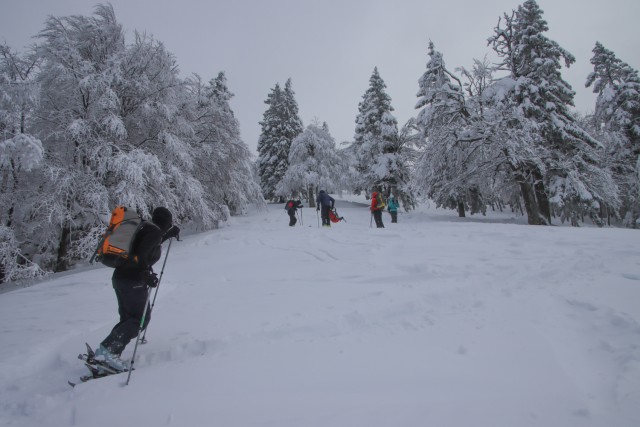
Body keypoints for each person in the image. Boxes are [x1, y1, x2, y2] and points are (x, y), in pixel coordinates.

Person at [95, 206, 180, 372]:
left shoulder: (146, 228)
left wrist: (166, 236)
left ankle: (107, 353)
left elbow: (143, 248)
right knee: (139, 320)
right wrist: (145, 274)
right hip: (133, 281)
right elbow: (141, 256)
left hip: (121, 278)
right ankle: (107, 352)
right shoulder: (153, 232)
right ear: (166, 222)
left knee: (128, 319)